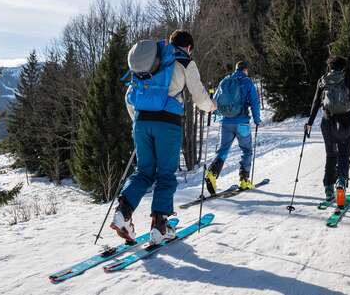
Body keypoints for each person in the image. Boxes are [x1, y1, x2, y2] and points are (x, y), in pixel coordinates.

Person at [110, 30, 216, 245]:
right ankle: (159, 226)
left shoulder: (151, 60)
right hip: (167, 123)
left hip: (141, 121)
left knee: (144, 172)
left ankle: (122, 212)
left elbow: (129, 96)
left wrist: (138, 122)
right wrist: (212, 106)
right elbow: (199, 96)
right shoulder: (185, 61)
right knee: (166, 174)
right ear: (188, 47)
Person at [305, 55, 350, 202]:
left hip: (327, 122)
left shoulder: (323, 80)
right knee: (344, 155)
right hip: (346, 121)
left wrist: (310, 123)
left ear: (330, 67)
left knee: (331, 156)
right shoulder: (348, 79)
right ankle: (341, 182)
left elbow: (315, 103)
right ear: (343, 67)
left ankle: (328, 189)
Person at [204, 61, 261, 195]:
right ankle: (244, 180)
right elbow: (254, 102)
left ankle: (212, 174)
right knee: (246, 150)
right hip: (242, 123)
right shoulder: (247, 82)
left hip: (226, 123)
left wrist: (217, 115)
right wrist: (257, 119)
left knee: (223, 151)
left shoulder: (225, 81)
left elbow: (216, 100)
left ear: (236, 69)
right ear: (245, 70)